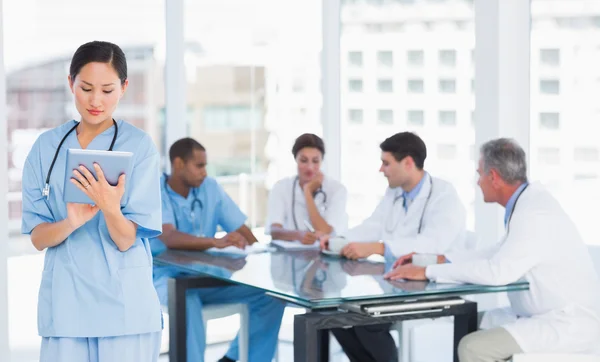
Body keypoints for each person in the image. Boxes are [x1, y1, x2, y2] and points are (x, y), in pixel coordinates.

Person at [385, 138, 600, 361]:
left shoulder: (533, 214)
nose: (478, 182)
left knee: (473, 347)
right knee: (468, 325)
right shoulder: (527, 205)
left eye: (479, 174)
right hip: (540, 315)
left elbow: (497, 272)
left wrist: (428, 272)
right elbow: (496, 252)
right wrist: (435, 260)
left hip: (564, 324)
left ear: (494, 177)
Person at [21, 41, 163, 362]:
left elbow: (127, 240)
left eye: (107, 90)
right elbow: (37, 237)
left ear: (124, 88)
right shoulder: (46, 148)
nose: (96, 100)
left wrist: (110, 207)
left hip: (125, 310)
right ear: (70, 82)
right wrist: (71, 222)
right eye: (86, 88)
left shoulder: (139, 147)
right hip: (66, 308)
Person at [321, 131, 467, 362]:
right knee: (334, 313)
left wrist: (377, 248)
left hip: (430, 285)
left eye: (386, 163)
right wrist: (338, 240)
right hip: (394, 282)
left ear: (408, 163)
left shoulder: (444, 195)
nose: (381, 170)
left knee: (369, 321)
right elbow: (373, 225)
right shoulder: (395, 192)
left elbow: (432, 244)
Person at [150, 137, 285, 362]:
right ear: (178, 164)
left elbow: (242, 231)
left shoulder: (209, 188)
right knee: (187, 300)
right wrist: (215, 242)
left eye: (206, 166)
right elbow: (169, 237)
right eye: (199, 166)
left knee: (270, 296)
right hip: (167, 280)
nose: (204, 172)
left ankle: (232, 359)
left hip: (207, 279)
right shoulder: (156, 190)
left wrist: (258, 252)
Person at [267, 133, 348, 244]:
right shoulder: (281, 187)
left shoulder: (337, 190)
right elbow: (274, 230)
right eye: (304, 160)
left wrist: (307, 192)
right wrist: (297, 235)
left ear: (322, 161)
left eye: (315, 161)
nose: (310, 167)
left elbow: (324, 231)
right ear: (296, 159)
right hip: (290, 255)